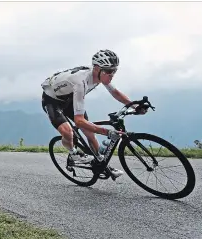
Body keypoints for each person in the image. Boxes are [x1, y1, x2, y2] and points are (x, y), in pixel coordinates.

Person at [41, 49, 146, 178]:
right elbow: (79, 121)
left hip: (69, 98)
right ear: (96, 68)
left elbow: (115, 93)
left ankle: (102, 164)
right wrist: (107, 132)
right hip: (52, 100)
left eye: (114, 70)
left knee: (89, 133)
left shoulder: (101, 76)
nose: (111, 75)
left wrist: (134, 105)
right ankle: (73, 153)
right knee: (68, 132)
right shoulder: (80, 82)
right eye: (108, 71)